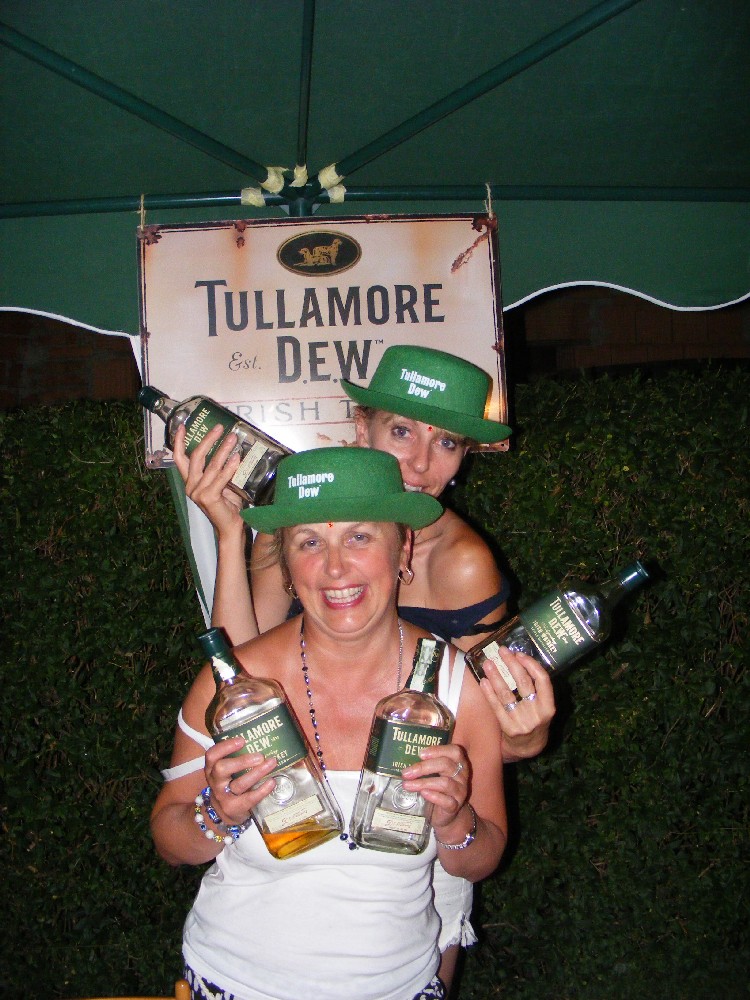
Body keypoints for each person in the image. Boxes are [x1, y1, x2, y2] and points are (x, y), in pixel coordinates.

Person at [173, 344, 556, 989]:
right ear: (363, 426)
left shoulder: (461, 562)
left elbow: (487, 722)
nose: (420, 463)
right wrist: (232, 534)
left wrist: (525, 737)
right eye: (402, 431)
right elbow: (241, 666)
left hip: (421, 811)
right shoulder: (302, 510)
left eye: (447, 443)